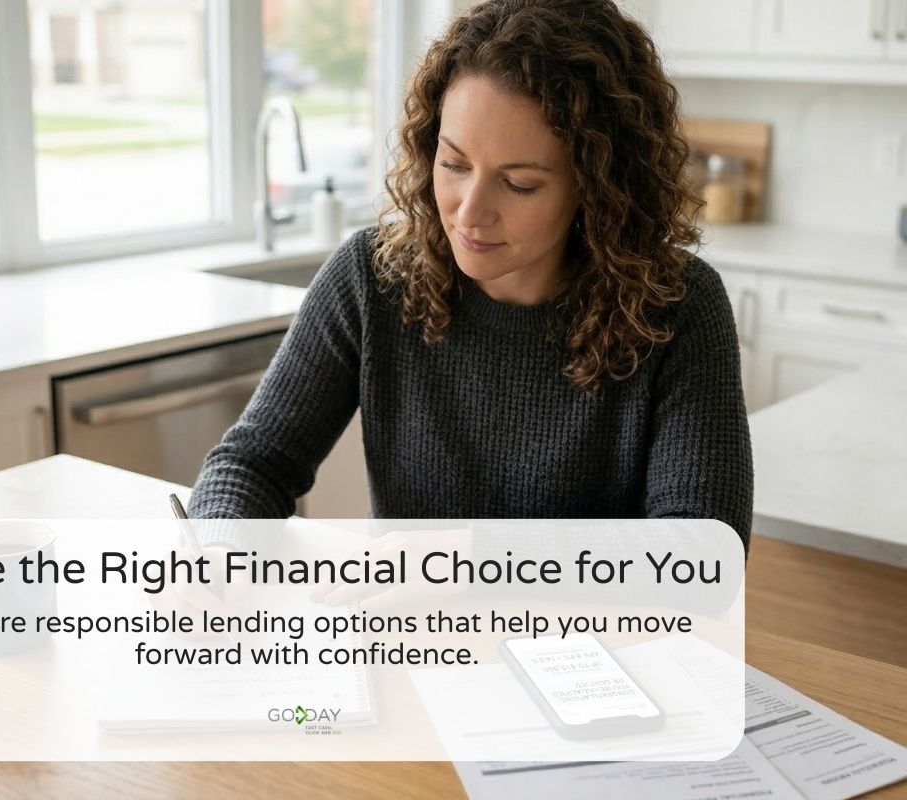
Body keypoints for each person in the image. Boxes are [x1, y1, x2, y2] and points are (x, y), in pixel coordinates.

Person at [187, 0, 753, 552]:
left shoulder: (677, 304)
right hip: (411, 639)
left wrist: (462, 562)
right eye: (454, 164)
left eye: (520, 183)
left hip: (586, 642)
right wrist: (214, 551)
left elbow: (702, 555)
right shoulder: (373, 275)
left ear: (599, 188)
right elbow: (255, 462)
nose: (468, 211)